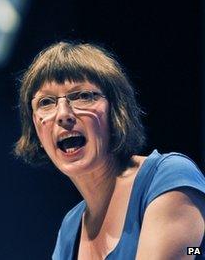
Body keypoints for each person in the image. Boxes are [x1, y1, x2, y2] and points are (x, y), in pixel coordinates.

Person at [14, 41, 205, 259]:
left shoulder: (167, 177)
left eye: (82, 96)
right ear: (36, 130)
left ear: (116, 112)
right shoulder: (70, 228)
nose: (63, 114)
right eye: (46, 102)